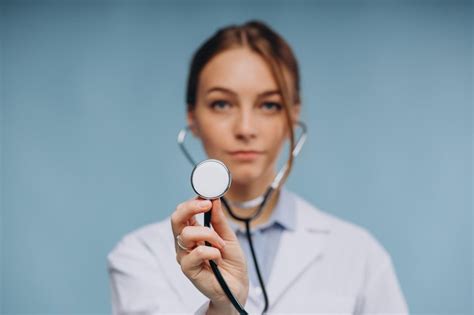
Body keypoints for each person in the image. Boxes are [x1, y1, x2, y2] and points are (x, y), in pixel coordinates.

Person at [107, 20, 409, 315]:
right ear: (193, 118)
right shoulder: (140, 256)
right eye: (222, 104)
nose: (246, 128)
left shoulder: (359, 255)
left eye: (269, 105)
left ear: (292, 117)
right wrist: (223, 308)